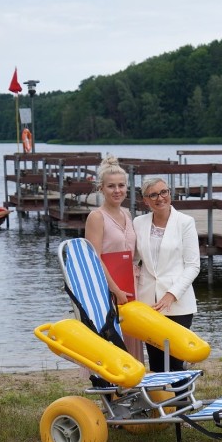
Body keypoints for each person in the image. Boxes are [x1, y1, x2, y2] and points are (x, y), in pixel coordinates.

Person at [133, 177, 200, 372]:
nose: (160, 198)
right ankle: (161, 402)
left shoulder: (185, 222)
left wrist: (172, 294)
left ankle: (182, 402)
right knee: (155, 361)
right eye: (153, 195)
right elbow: (133, 260)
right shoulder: (139, 223)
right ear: (145, 200)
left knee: (176, 360)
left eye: (164, 192)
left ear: (170, 194)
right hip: (148, 302)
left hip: (178, 303)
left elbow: (193, 265)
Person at [84, 155, 144, 364]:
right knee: (112, 341)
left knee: (132, 337)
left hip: (131, 285)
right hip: (109, 290)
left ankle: (134, 387)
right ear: (101, 188)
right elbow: (94, 257)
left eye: (121, 185)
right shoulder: (96, 217)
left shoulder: (127, 213)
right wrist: (115, 290)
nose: (117, 190)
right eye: (111, 186)